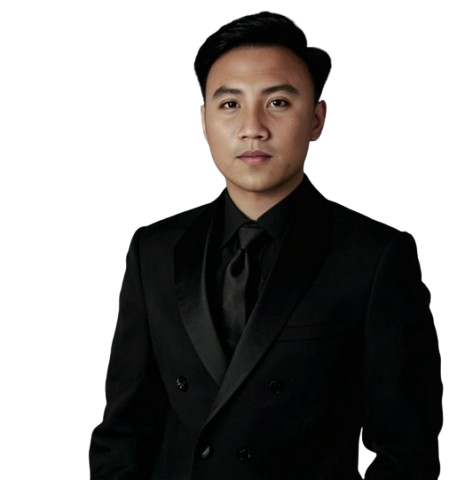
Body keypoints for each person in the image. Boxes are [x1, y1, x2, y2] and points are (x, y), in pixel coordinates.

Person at [89, 11, 442, 479]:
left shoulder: (374, 257)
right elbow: (123, 432)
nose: (252, 127)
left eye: (277, 102)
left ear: (317, 118)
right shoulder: (153, 249)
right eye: (230, 104)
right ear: (204, 120)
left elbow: (407, 452)